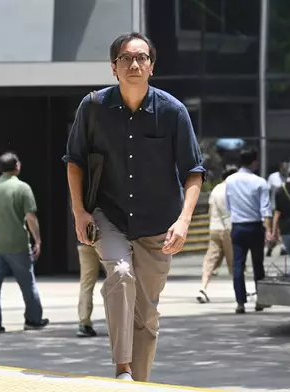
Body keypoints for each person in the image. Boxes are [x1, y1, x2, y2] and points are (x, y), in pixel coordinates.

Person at [63, 32, 205, 382]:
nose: (134, 64)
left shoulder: (173, 111)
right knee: (121, 274)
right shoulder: (93, 107)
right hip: (108, 215)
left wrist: (184, 222)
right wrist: (79, 211)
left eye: (141, 58)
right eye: (126, 58)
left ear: (152, 67)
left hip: (158, 223)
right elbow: (75, 161)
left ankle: (137, 384)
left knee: (147, 315)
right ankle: (122, 367)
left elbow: (193, 172)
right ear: (114, 67)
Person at [0, 152, 49, 334]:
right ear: (17, 166)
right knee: (27, 282)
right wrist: (38, 240)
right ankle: (33, 320)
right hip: (17, 243)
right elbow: (30, 217)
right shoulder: (22, 188)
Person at [225, 147, 272, 314]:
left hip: (238, 226)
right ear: (254, 162)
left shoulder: (230, 181)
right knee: (258, 264)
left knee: (238, 265)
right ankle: (261, 300)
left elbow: (229, 205)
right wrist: (268, 230)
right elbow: (265, 209)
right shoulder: (260, 182)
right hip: (255, 226)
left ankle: (240, 302)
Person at [196, 167, 237, 304]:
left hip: (214, 228)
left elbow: (210, 210)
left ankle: (203, 288)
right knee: (234, 262)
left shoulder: (216, 189)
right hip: (228, 229)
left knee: (210, 260)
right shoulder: (231, 189)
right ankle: (239, 293)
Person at [76, 242, 102, 337]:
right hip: (108, 241)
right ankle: (119, 324)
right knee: (115, 285)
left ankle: (84, 323)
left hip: (85, 241)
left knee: (86, 285)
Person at [266, 162, 289, 257]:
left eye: (286, 169)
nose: (285, 171)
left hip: (285, 208)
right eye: (284, 169)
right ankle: (270, 247)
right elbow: (268, 191)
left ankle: (283, 247)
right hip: (274, 208)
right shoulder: (273, 177)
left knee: (283, 229)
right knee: (274, 230)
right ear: (280, 168)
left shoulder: (289, 179)